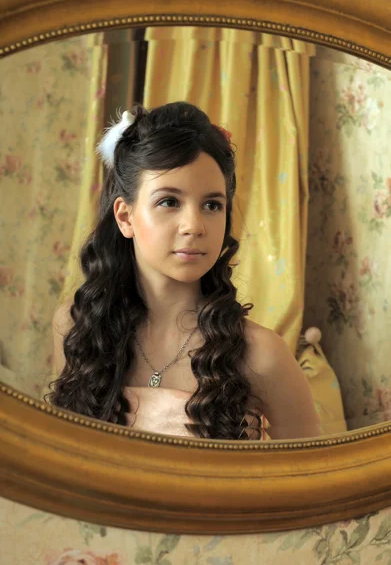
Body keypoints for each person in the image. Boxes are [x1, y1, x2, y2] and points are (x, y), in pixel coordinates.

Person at [48, 101, 321, 441]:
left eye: (212, 205)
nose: (194, 226)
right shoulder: (76, 330)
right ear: (125, 216)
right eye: (169, 201)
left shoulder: (262, 354)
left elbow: (307, 484)